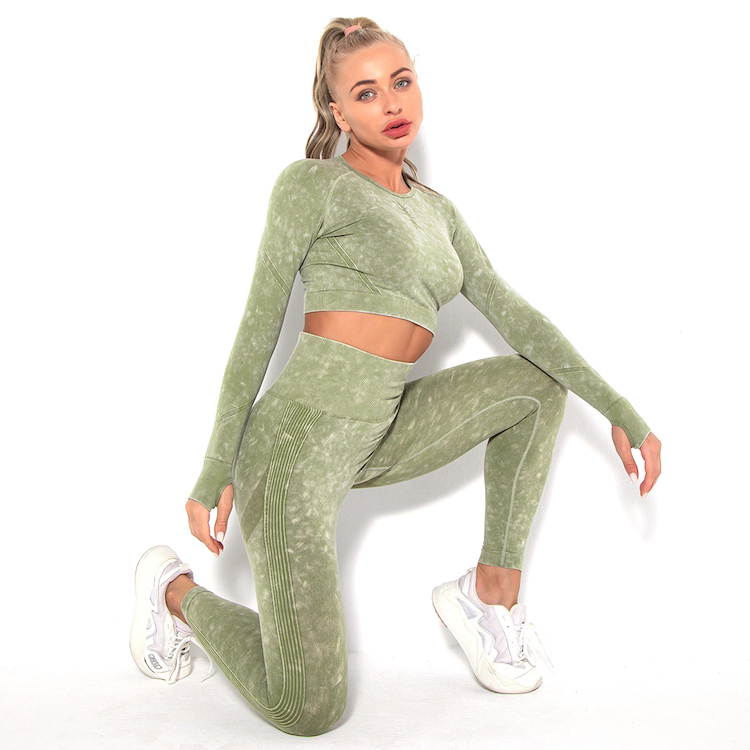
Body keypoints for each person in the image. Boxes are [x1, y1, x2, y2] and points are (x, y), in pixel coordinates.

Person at [129, 17, 662, 737]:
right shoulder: (312, 186)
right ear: (338, 112)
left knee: (535, 386)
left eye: (401, 82)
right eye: (366, 92)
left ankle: (489, 594)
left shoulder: (440, 214)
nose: (391, 103)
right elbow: (257, 328)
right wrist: (215, 466)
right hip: (294, 447)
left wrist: (620, 408)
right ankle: (174, 592)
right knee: (307, 710)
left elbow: (517, 317)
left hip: (381, 428)